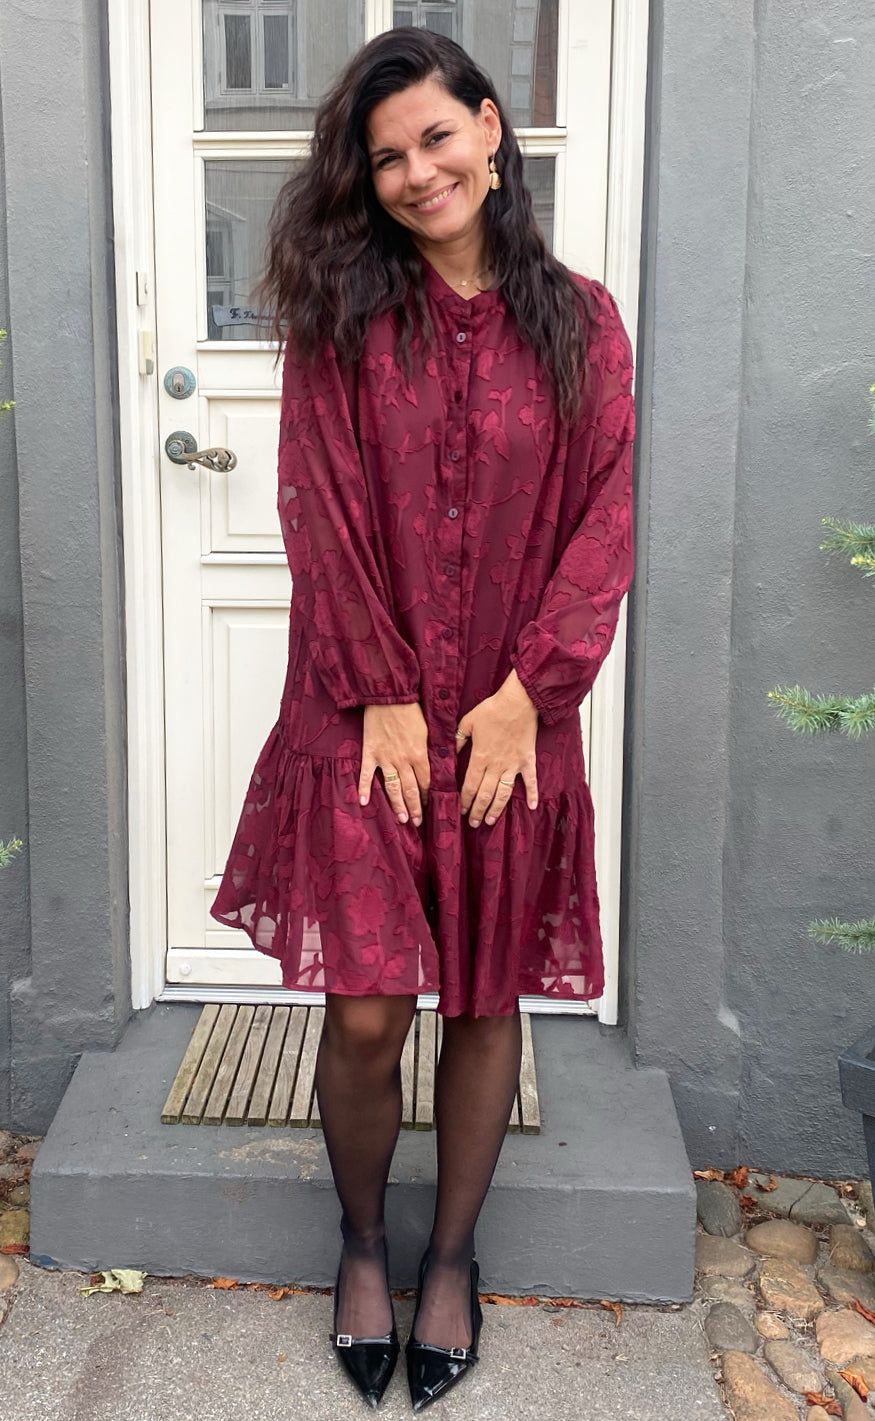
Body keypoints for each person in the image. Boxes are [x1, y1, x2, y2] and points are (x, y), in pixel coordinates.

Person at [210, 26, 635, 1413]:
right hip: (363, 709)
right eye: (387, 156)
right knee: (368, 1008)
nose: (416, 172)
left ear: (492, 131)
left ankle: (448, 1258)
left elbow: (605, 523)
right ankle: (360, 1242)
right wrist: (383, 691)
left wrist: (533, 696)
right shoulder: (342, 322)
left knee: (486, 996)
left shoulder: (583, 323)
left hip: (513, 720)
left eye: (436, 137)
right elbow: (318, 512)